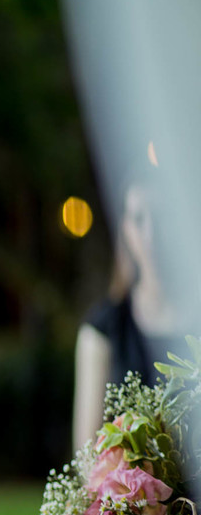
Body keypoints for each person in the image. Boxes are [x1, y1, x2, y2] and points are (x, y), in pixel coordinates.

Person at [72, 179, 191, 449]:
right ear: (124, 228)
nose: (152, 234)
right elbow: (86, 455)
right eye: (139, 218)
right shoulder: (103, 329)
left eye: (162, 217)